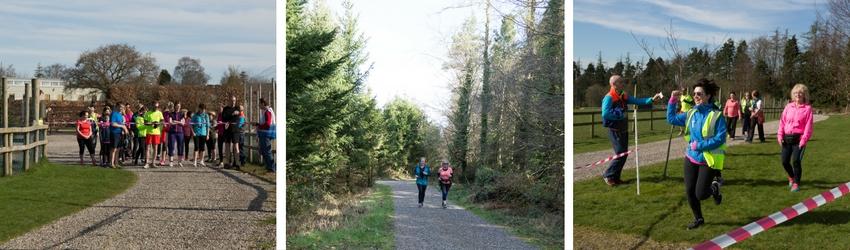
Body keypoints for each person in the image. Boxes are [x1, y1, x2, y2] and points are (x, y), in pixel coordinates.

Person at [667, 78, 727, 230]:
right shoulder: (691, 113)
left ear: (708, 96)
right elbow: (671, 119)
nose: (695, 96)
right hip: (691, 157)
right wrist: (672, 100)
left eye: (699, 94)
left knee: (700, 194)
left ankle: (714, 188)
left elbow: (720, 138)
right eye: (694, 94)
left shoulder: (717, 115)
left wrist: (699, 145)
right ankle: (698, 218)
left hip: (708, 159)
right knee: (689, 191)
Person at [600, 75, 663, 186]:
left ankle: (616, 178)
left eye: (622, 82)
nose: (623, 83)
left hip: (623, 129)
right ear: (614, 84)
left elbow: (637, 101)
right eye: (620, 82)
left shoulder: (623, 95)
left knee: (623, 154)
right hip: (615, 130)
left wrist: (652, 99)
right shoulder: (609, 97)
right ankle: (608, 175)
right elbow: (605, 113)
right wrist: (619, 116)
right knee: (620, 154)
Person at [778, 84, 814, 192]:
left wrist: (804, 139)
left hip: (799, 139)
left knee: (796, 161)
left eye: (800, 93)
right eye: (795, 93)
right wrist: (780, 135)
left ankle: (796, 183)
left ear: (804, 95)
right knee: (784, 161)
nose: (798, 95)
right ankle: (791, 176)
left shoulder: (808, 109)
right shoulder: (788, 107)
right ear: (793, 94)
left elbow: (808, 126)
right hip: (786, 138)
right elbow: (782, 122)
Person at [254, 98, 276, 172]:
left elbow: (267, 124)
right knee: (264, 151)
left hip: (266, 134)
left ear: (263, 104)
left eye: (259, 104)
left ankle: (271, 168)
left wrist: (259, 125)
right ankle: (269, 167)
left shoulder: (267, 112)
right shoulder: (267, 111)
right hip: (265, 133)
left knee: (267, 151)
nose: (259, 106)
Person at [222, 95, 242, 169]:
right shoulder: (225, 109)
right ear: (229, 101)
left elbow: (236, 118)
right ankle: (227, 162)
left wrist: (230, 118)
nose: (233, 102)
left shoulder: (237, 108)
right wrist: (232, 114)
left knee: (236, 146)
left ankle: (237, 163)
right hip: (227, 130)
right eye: (232, 100)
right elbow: (224, 118)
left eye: (234, 100)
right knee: (227, 146)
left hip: (235, 130)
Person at [144, 101, 164, 169]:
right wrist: (152, 123)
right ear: (152, 106)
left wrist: (158, 123)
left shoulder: (160, 113)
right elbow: (145, 122)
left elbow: (162, 121)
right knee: (148, 148)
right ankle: (147, 163)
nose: (156, 108)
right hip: (149, 132)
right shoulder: (147, 113)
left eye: (157, 106)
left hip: (156, 133)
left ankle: (153, 162)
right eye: (155, 106)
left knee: (155, 148)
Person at [165, 102, 186, 167]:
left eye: (179, 106)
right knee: (171, 146)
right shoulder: (171, 114)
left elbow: (183, 123)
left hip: (180, 132)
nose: (178, 107)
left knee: (180, 146)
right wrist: (179, 122)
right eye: (177, 106)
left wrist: (176, 121)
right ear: (175, 106)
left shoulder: (182, 114)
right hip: (172, 132)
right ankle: (171, 161)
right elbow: (170, 122)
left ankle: (179, 162)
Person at [110, 104, 129, 168]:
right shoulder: (114, 113)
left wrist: (124, 129)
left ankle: (116, 163)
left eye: (123, 107)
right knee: (114, 149)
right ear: (117, 107)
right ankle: (111, 163)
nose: (122, 108)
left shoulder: (120, 114)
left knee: (118, 149)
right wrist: (122, 126)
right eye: (120, 107)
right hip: (114, 133)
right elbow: (113, 123)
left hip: (120, 133)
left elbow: (121, 123)